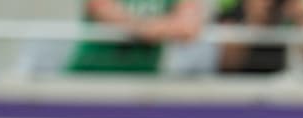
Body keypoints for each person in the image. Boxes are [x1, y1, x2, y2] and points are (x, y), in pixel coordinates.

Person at [67, 0, 204, 74]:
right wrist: (158, 28)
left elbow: (188, 27)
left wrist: (143, 28)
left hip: (142, 81)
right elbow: (103, 9)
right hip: (92, 76)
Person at [216, 0, 303, 74]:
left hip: (279, 84)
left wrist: (302, 23)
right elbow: (227, 63)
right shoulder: (232, 5)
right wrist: (253, 21)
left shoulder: (288, 6)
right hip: (239, 84)